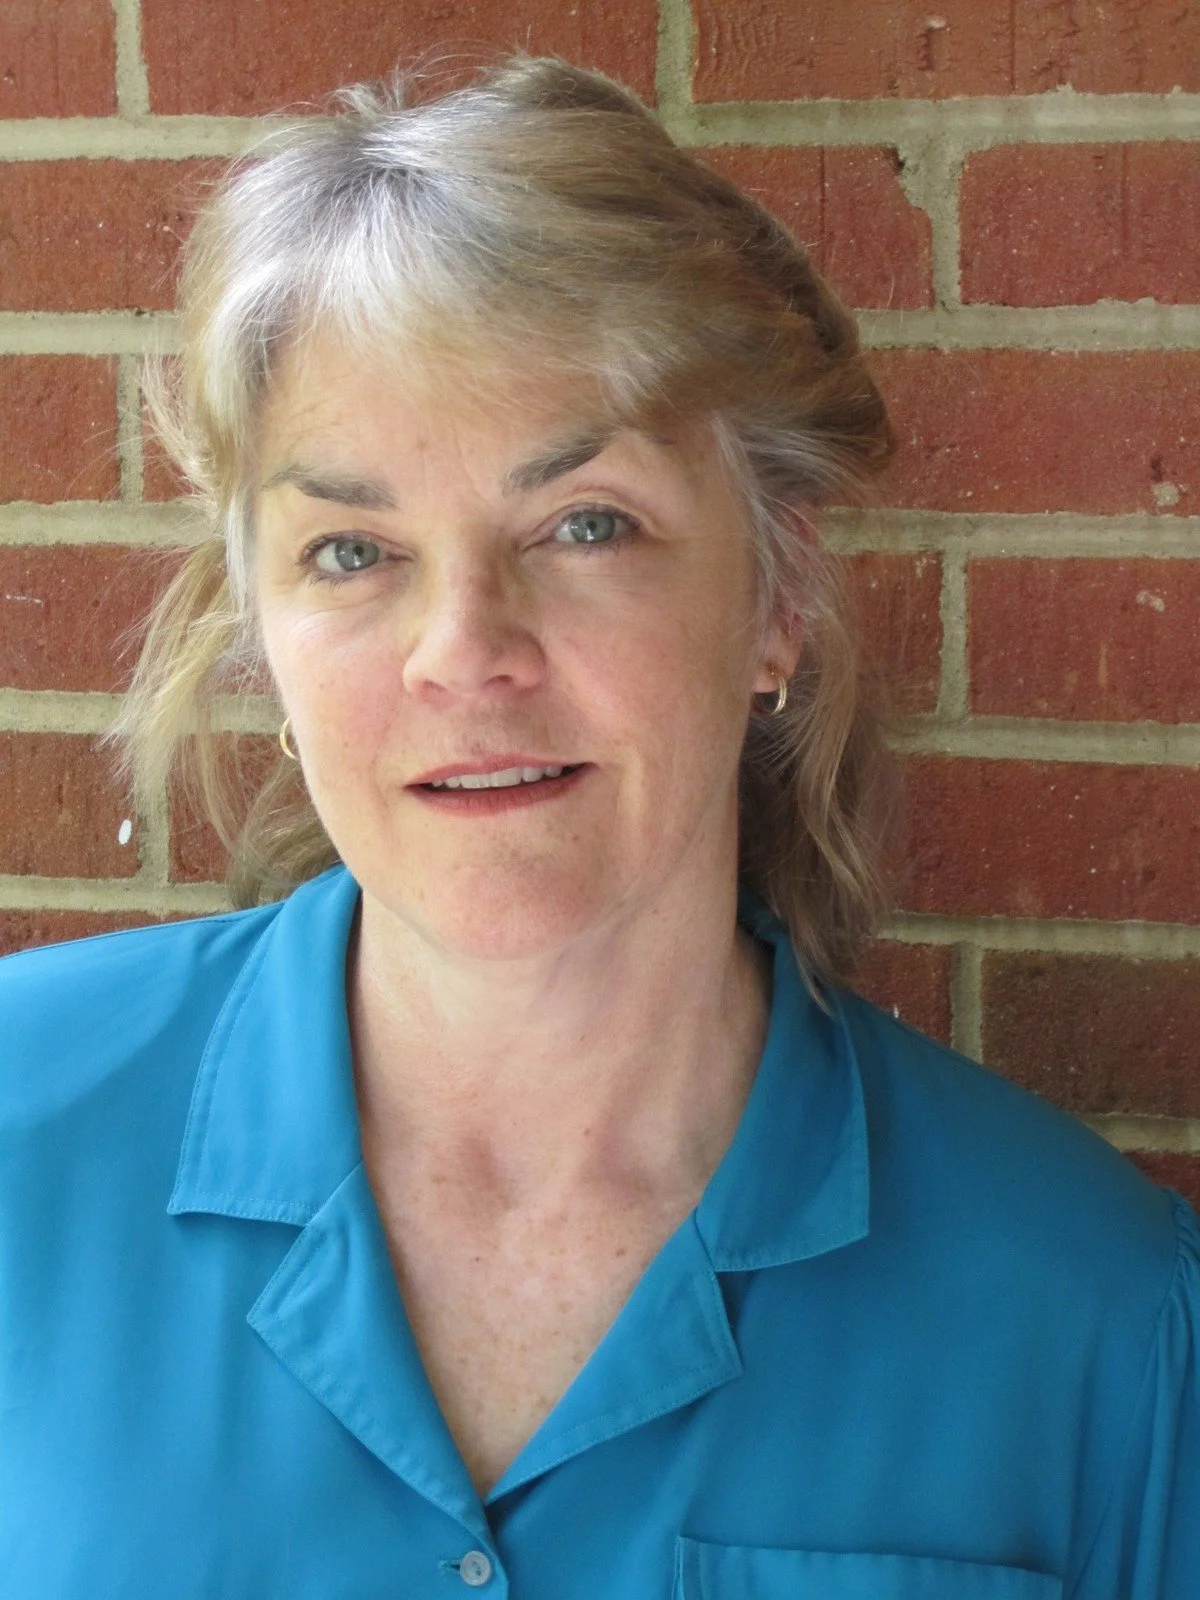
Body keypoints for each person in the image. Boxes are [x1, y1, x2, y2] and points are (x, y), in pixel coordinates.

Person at [0, 54, 1195, 1599]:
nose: (464, 649)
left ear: (777, 598)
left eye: (584, 525)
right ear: (263, 635)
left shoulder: (1091, 1317)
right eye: (353, 551)